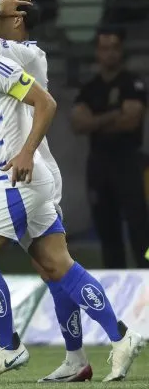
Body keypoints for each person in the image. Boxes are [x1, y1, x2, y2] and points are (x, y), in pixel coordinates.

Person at [0, 1, 144, 382]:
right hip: (21, 179)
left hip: (14, 176)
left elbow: (46, 103)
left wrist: (25, 151)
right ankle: (122, 336)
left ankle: (9, 347)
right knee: (57, 266)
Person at [72, 27, 149, 268]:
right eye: (105, 48)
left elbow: (131, 120)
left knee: (140, 226)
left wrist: (95, 121)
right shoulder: (90, 88)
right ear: (97, 52)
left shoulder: (133, 83)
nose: (110, 53)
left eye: (115, 48)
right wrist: (114, 114)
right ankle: (116, 279)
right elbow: (78, 124)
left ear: (121, 50)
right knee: (107, 229)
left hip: (129, 162)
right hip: (99, 164)